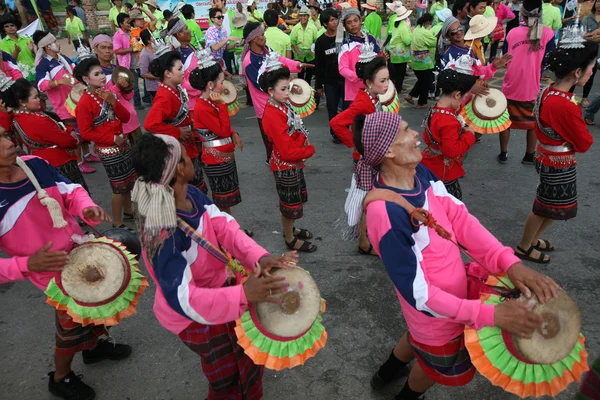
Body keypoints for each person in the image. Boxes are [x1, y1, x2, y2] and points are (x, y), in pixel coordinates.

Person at [355, 111, 559, 400]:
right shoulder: (384, 213)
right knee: (432, 364)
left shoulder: (419, 173)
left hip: (447, 302)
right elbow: (419, 295)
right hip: (435, 313)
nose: (416, 134)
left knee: (417, 339)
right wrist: (489, 315)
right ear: (388, 150)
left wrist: (510, 264)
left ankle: (385, 374)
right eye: (406, 131)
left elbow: (462, 221)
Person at [131, 132, 296, 399]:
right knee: (226, 377)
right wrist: (244, 294)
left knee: (244, 356)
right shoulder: (164, 232)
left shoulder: (192, 194)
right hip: (192, 315)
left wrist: (259, 257)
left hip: (220, 292)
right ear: (181, 169)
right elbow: (181, 297)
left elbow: (226, 227)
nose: (191, 155)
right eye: (186, 155)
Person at [0, 131, 130, 400]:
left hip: (78, 250)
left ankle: (92, 349)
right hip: (50, 273)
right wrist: (27, 264)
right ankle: (60, 377)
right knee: (70, 327)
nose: (10, 143)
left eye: (4, 136)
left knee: (96, 304)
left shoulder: (34, 164)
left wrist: (86, 208)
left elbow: (71, 192)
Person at [514, 41, 596, 264]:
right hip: (558, 162)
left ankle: (531, 240)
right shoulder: (565, 105)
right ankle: (524, 246)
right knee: (544, 207)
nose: (592, 74)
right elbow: (585, 142)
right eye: (591, 69)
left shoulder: (549, 90)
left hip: (548, 156)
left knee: (552, 206)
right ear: (577, 72)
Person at [331, 55, 390, 255]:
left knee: (371, 199)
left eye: (387, 79)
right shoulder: (363, 102)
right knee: (368, 200)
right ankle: (364, 241)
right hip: (366, 160)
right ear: (368, 83)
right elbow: (336, 123)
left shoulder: (371, 97)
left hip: (372, 157)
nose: (387, 84)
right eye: (382, 81)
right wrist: (357, 145)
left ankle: (367, 238)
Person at [260, 55, 317, 252]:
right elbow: (287, 150)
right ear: (270, 90)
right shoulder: (273, 114)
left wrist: (301, 140)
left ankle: (290, 229)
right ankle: (289, 238)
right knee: (289, 205)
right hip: (286, 164)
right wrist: (308, 149)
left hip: (292, 163)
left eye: (288, 88)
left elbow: (295, 129)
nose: (287, 92)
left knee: (294, 202)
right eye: (283, 89)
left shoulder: (282, 105)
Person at [74, 55, 137, 228]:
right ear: (86, 79)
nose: (102, 76)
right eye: (97, 74)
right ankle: (117, 222)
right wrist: (111, 138)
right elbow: (86, 133)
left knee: (129, 181)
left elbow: (124, 118)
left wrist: (113, 101)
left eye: (102, 72)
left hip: (122, 144)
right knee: (119, 187)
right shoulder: (84, 104)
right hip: (109, 150)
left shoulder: (107, 94)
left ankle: (129, 212)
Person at [189, 48, 248, 224]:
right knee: (222, 200)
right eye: (221, 82)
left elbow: (224, 129)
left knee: (225, 200)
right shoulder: (204, 106)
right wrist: (222, 105)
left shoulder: (209, 102)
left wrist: (233, 133)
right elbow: (221, 130)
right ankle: (227, 234)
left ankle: (230, 231)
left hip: (222, 156)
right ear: (210, 85)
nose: (224, 85)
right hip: (216, 160)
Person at [33, 31, 99, 175]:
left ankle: (87, 154)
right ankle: (79, 161)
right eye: (54, 42)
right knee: (74, 134)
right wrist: (59, 82)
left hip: (77, 100)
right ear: (47, 47)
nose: (58, 43)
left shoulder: (62, 58)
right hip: (63, 106)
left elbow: (74, 71)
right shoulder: (43, 64)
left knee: (84, 128)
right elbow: (41, 85)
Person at [241, 21, 308, 163]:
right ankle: (277, 167)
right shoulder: (249, 61)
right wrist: (287, 86)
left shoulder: (266, 51)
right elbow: (262, 85)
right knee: (272, 143)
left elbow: (281, 60)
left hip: (280, 103)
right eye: (262, 35)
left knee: (286, 137)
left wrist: (297, 65)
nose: (264, 37)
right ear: (254, 39)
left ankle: (289, 162)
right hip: (265, 109)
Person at [499, 0, 555, 165]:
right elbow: (548, 60)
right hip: (532, 87)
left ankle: (503, 153)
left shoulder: (512, 33)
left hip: (511, 85)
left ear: (521, 14)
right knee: (532, 124)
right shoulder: (548, 33)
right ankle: (529, 155)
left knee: (506, 122)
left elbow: (505, 57)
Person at [8, 77, 89, 191]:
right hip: (59, 162)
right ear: (22, 102)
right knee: (74, 197)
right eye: (35, 97)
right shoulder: (36, 120)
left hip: (41, 161)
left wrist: (68, 130)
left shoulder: (18, 117)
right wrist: (71, 137)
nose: (39, 100)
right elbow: (66, 141)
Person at [144, 49, 207, 192]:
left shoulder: (175, 89)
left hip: (185, 143)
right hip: (177, 147)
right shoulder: (164, 96)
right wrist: (177, 131)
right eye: (179, 68)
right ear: (167, 73)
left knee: (194, 185)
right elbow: (150, 124)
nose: (183, 71)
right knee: (187, 187)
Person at [421, 69, 477, 199]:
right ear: (457, 95)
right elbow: (451, 151)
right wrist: (469, 135)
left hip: (429, 161)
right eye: (462, 98)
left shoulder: (435, 108)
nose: (461, 103)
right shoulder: (448, 121)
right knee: (450, 203)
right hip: (443, 171)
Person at [93, 34, 143, 146]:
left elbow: (129, 96)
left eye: (110, 48)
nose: (107, 51)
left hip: (131, 118)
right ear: (95, 49)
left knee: (141, 154)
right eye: (103, 47)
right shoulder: (94, 73)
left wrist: (127, 88)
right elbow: (100, 98)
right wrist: (117, 87)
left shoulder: (118, 69)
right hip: (113, 122)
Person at [337, 7, 381, 109]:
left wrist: (383, 60)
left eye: (356, 20)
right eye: (349, 22)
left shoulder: (370, 39)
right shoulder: (345, 44)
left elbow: (378, 59)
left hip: (373, 88)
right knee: (357, 122)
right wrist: (360, 76)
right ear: (345, 26)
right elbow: (342, 69)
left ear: (361, 20)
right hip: (354, 92)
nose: (353, 24)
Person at [315, 7, 345, 143]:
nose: (335, 22)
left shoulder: (344, 37)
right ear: (325, 24)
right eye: (331, 20)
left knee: (346, 108)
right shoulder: (321, 41)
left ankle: (344, 130)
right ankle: (335, 133)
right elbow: (319, 65)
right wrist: (318, 86)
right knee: (332, 109)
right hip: (329, 82)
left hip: (345, 80)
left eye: (335, 19)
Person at [164, 18, 203, 117]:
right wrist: (201, 87)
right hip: (189, 105)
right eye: (186, 29)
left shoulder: (190, 47)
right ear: (179, 34)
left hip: (200, 100)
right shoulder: (175, 55)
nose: (189, 30)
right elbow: (180, 82)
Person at [113, 12, 145, 111]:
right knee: (134, 85)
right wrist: (132, 49)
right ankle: (137, 104)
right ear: (121, 24)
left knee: (146, 80)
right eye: (127, 22)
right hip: (128, 64)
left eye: (130, 21)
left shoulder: (133, 32)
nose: (129, 24)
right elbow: (117, 50)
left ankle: (147, 98)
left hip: (139, 62)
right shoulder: (118, 35)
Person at [404, 13, 437, 108]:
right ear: (428, 22)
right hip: (424, 62)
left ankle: (410, 95)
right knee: (425, 83)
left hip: (416, 60)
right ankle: (421, 103)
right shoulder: (424, 33)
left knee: (422, 80)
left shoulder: (416, 30)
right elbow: (434, 42)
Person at [577, 1, 600, 108]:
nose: (599, 4)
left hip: (598, 54)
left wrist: (590, 36)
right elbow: (583, 35)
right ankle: (570, 95)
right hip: (585, 51)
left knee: (591, 75)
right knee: (577, 73)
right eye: (598, 2)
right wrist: (594, 36)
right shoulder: (587, 18)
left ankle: (584, 98)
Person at [0, 16, 35, 81]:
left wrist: (33, 51)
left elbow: (38, 57)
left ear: (16, 27)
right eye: (6, 26)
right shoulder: (2, 44)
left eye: (12, 25)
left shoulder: (27, 39)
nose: (10, 27)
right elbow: (9, 62)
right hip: (20, 77)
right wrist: (16, 52)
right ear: (3, 29)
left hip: (35, 72)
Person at [290, 6, 319, 86]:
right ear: (299, 17)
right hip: (299, 56)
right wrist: (298, 52)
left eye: (305, 16)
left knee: (309, 76)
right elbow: (293, 42)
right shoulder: (295, 28)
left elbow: (316, 41)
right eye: (301, 16)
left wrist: (312, 50)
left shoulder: (313, 28)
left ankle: (308, 90)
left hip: (310, 55)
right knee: (300, 75)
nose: (303, 18)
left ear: (308, 16)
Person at [388, 4, 412, 94]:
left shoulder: (395, 24)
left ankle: (395, 88)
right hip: (401, 51)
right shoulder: (403, 25)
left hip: (393, 50)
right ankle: (398, 88)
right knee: (401, 72)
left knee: (395, 71)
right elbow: (407, 40)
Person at [139, 29, 159, 99]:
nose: (154, 38)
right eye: (152, 36)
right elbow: (143, 73)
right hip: (154, 86)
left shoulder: (156, 50)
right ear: (148, 40)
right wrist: (159, 77)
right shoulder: (145, 54)